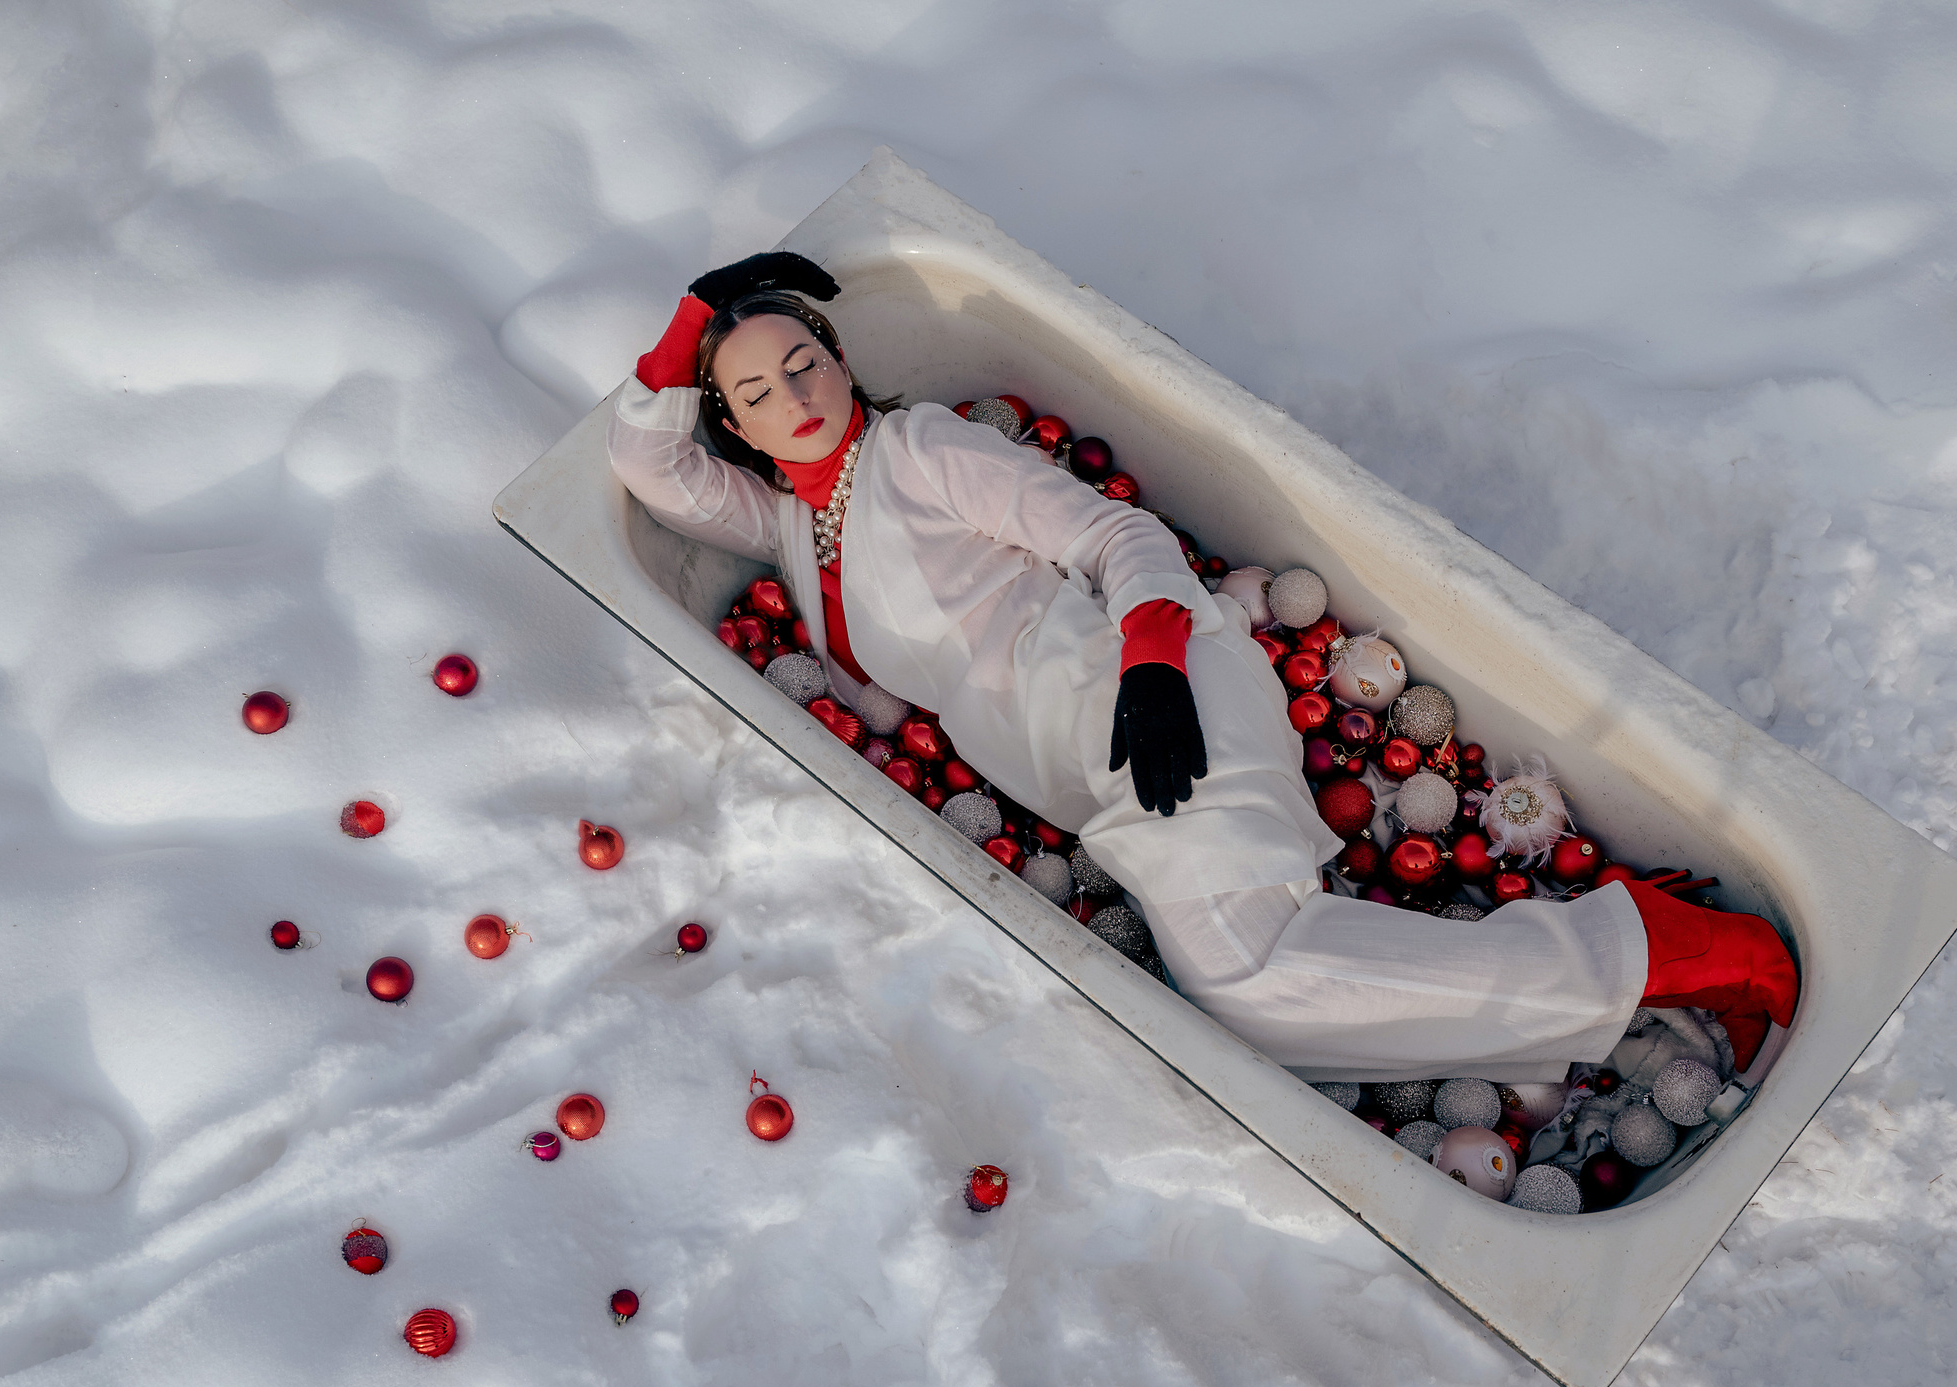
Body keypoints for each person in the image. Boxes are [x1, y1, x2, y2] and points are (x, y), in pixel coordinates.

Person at [610, 253, 1796, 1082]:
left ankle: (1660, 950)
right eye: (753, 392)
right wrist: (694, 315)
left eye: (803, 360)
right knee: (1259, 1002)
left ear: (836, 353)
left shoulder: (918, 449)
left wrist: (1157, 667)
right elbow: (646, 462)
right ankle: (1619, 959)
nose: (793, 395)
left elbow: (1116, 536)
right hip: (1090, 768)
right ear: (739, 430)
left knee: (1249, 982)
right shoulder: (791, 539)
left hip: (1145, 696)